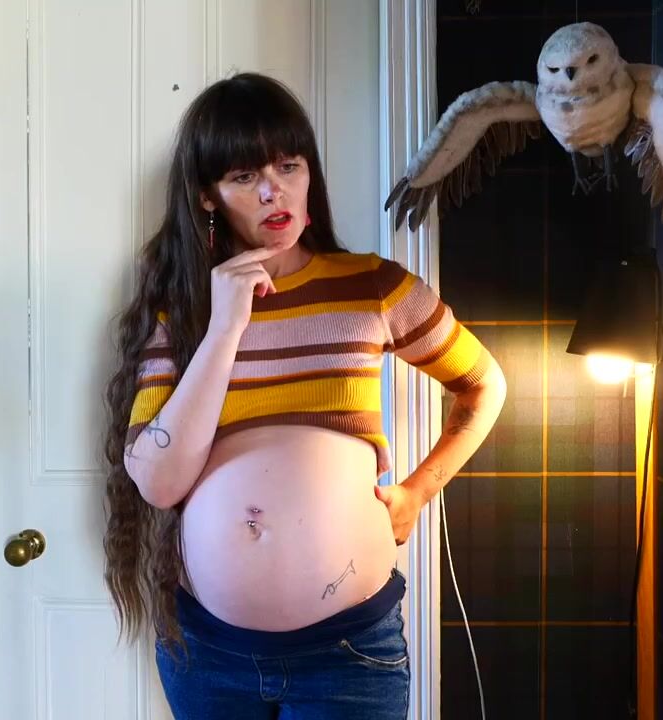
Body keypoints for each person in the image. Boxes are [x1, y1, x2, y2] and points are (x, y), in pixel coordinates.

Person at [102, 72, 506, 719]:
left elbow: (484, 383)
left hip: (347, 654)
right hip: (211, 655)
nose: (274, 191)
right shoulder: (181, 308)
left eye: (288, 166)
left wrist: (418, 491)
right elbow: (158, 482)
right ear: (207, 195)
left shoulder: (372, 287)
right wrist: (225, 326)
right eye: (244, 176)